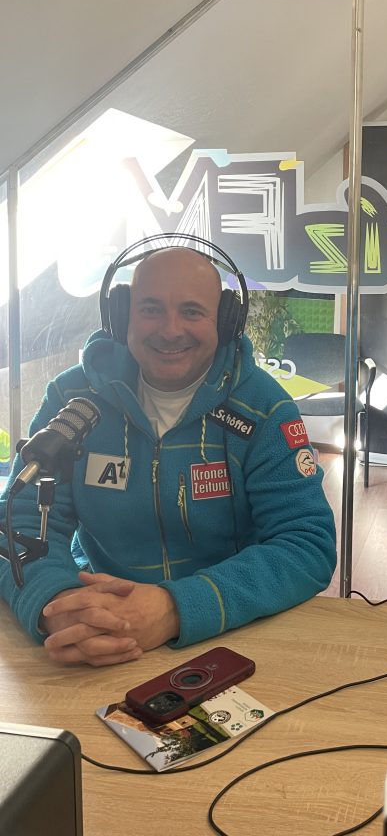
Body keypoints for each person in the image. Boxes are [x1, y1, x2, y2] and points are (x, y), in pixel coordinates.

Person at [0, 246, 337, 666]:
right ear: (122, 314)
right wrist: (59, 605)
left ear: (225, 320)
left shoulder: (265, 410)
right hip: (96, 634)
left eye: (192, 311)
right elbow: (18, 523)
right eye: (151, 309)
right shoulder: (72, 398)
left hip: (228, 636)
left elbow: (306, 544)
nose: (170, 330)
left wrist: (176, 607)